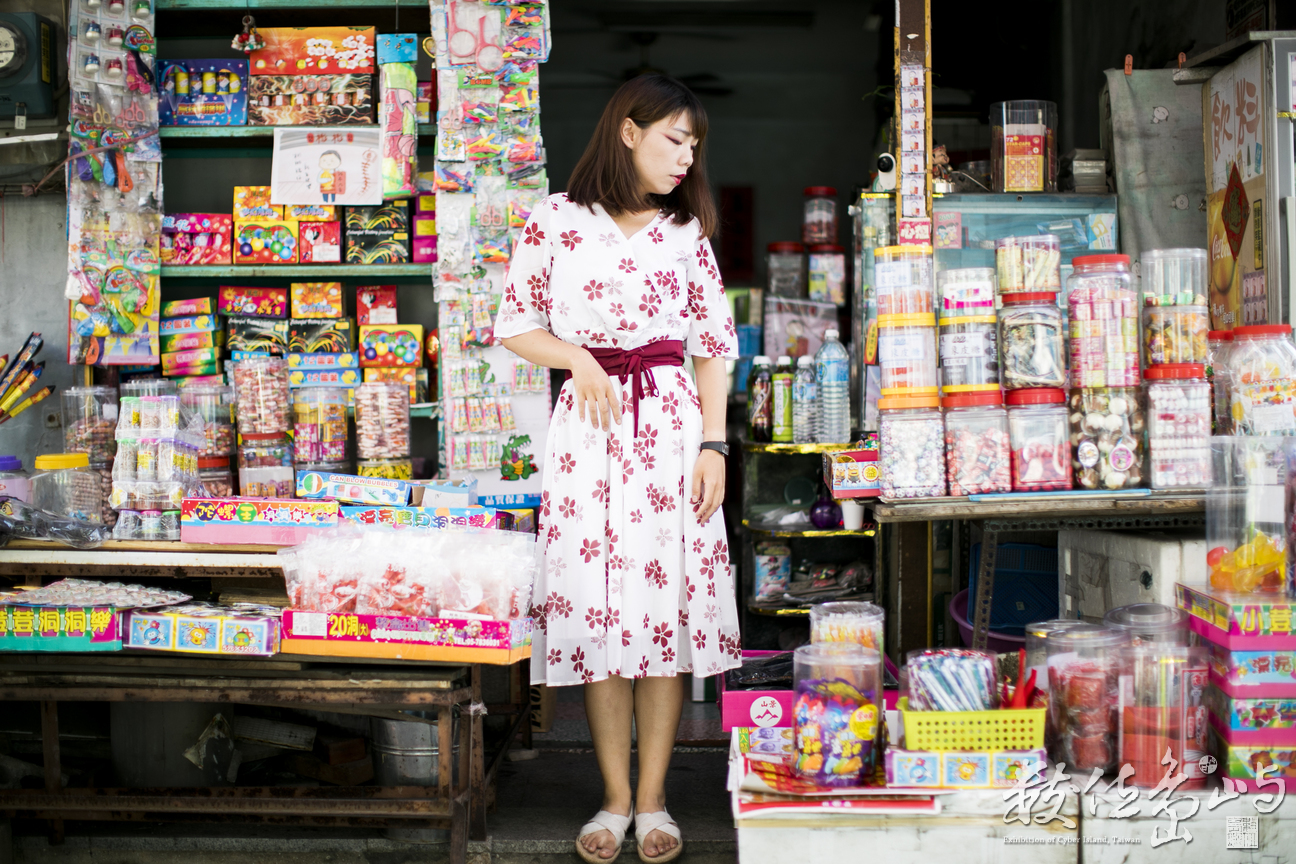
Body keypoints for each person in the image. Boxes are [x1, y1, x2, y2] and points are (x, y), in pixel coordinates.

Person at [496, 74, 740, 864]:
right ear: (629, 131)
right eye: (675, 138)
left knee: (663, 616)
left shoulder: (685, 233)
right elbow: (515, 324)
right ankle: (613, 799)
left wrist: (714, 445)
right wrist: (576, 358)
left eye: (694, 143)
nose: (687, 155)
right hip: (589, 434)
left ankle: (656, 800)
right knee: (601, 617)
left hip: (670, 433)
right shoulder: (555, 220)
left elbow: (714, 347)